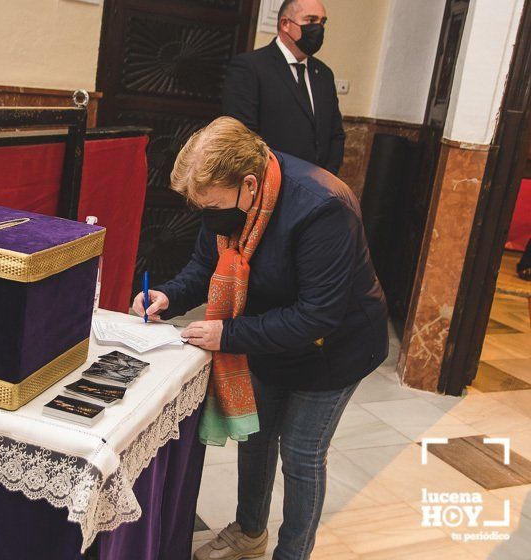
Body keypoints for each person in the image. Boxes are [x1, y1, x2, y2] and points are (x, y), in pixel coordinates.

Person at [132, 117, 388, 560]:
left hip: (334, 347)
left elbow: (317, 315)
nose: (208, 217)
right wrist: (168, 296)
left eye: (210, 207)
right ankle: (249, 534)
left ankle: (293, 553)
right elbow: (203, 267)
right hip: (267, 331)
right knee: (255, 435)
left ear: (248, 185)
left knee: (302, 453)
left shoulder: (322, 207)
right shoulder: (226, 200)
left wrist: (227, 332)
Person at [222, 0, 345, 175]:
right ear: (285, 24)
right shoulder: (250, 67)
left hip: (316, 188)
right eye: (311, 20)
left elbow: (336, 134)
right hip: (269, 184)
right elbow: (242, 135)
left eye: (322, 22)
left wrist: (327, 178)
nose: (319, 28)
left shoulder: (324, 74)